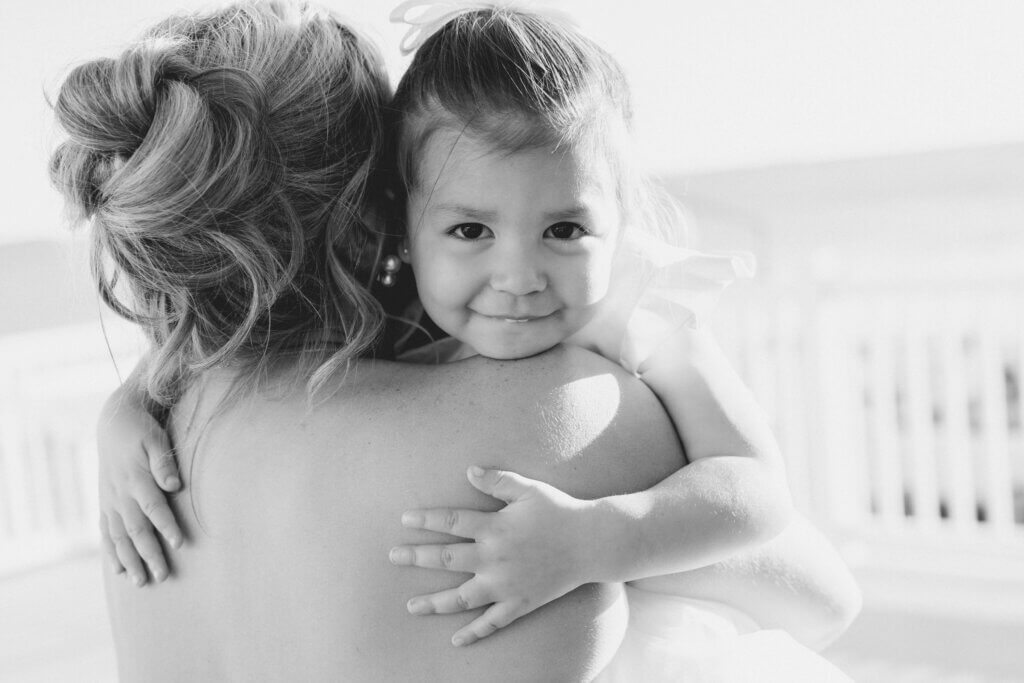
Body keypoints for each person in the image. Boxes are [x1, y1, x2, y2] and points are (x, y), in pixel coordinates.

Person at [58, 1, 859, 680]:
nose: (516, 273)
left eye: (563, 228)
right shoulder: (554, 412)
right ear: (388, 210)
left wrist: (128, 401)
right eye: (471, 224)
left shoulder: (145, 468)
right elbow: (822, 601)